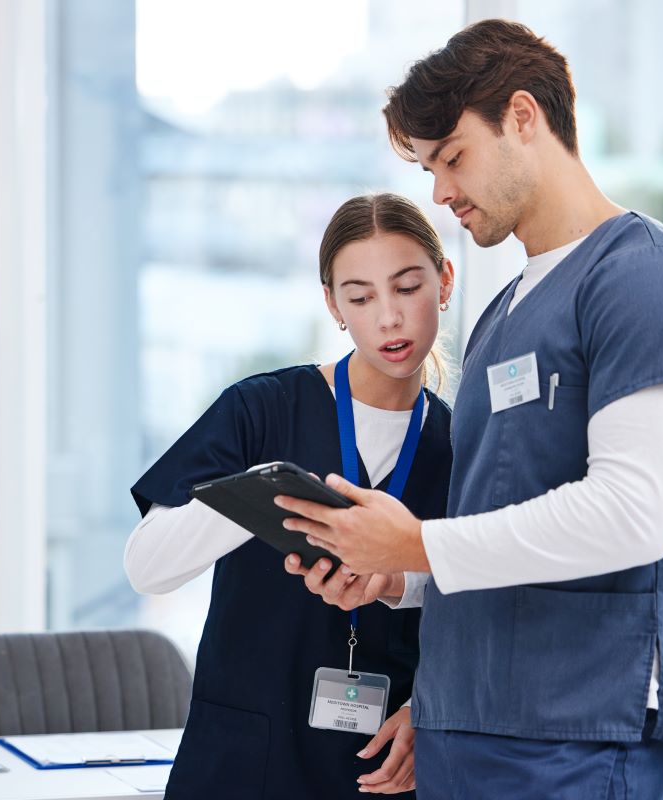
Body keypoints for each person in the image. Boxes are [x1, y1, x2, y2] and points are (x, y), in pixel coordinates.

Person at [280, 19, 663, 800]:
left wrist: (416, 543)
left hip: (578, 732)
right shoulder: (505, 312)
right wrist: (402, 580)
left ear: (524, 117)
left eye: (452, 157)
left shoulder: (652, 284)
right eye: (429, 168)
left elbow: (635, 515)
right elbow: (498, 523)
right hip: (473, 723)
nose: (441, 192)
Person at [126, 192, 455, 798]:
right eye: (360, 297)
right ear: (334, 306)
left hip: (381, 765)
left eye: (407, 287)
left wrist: (432, 705)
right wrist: (259, 500)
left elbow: (478, 590)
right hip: (247, 757)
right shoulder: (261, 411)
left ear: (445, 282)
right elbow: (146, 568)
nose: (387, 318)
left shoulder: (459, 443)